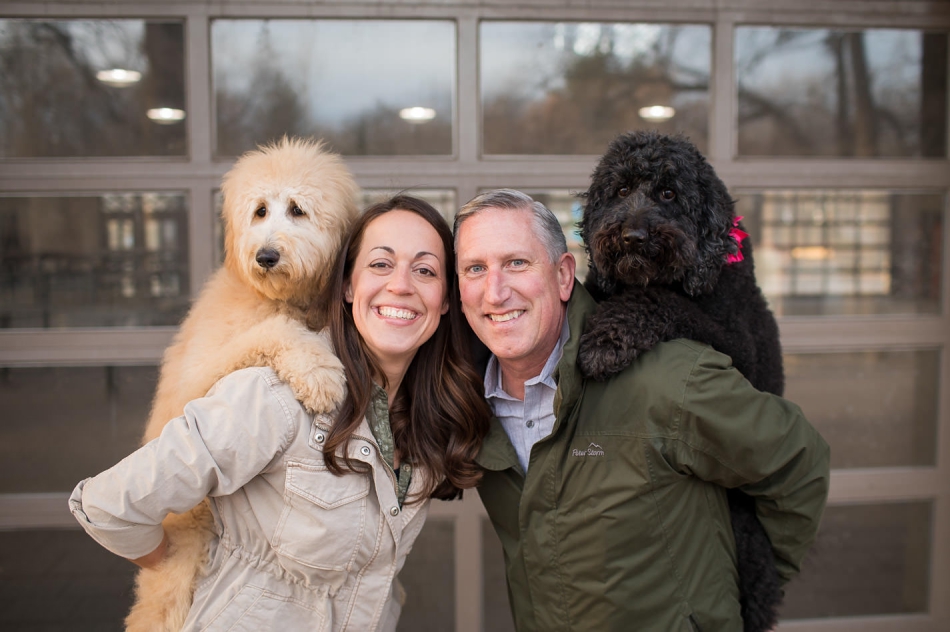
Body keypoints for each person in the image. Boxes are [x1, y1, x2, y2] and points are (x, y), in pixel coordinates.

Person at [69, 195, 491, 631]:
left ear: (444, 300)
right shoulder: (275, 397)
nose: (401, 285)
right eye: (380, 265)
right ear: (347, 286)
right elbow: (110, 507)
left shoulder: (421, 418)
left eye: (424, 270)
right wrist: (202, 571)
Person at [453, 188, 830, 632]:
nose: (495, 292)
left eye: (517, 263)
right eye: (475, 269)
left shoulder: (667, 379)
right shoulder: (468, 404)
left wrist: (746, 590)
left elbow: (797, 460)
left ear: (563, 276)